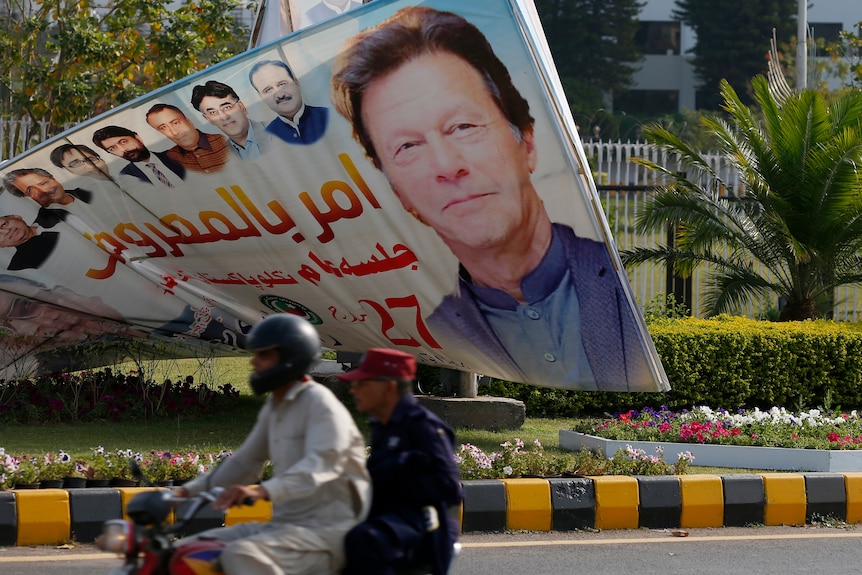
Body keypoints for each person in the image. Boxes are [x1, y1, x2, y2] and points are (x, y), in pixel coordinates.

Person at [330, 6, 655, 392]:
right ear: (400, 193)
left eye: (463, 126)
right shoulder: (433, 329)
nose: (447, 166)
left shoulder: (614, 287)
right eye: (408, 146)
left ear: (527, 141)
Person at [173, 314, 371, 575]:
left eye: (264, 355)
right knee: (185, 551)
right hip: (284, 525)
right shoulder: (276, 406)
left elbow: (320, 467)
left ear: (291, 358)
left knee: (239, 556)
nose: (254, 362)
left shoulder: (320, 405)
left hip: (328, 532)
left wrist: (261, 492)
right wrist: (182, 493)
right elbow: (245, 463)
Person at [338, 348, 462, 575]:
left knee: (365, 540)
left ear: (389, 388)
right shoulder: (382, 425)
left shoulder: (423, 426)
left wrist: (398, 466)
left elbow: (449, 488)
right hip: (387, 514)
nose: (354, 389)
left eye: (363, 383)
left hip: (422, 522)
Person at [249, 59, 328, 145]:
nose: (280, 95)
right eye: (268, 90)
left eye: (282, 84)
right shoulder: (266, 140)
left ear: (296, 84)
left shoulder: (331, 116)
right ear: (261, 97)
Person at [190, 80, 274, 160]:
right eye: (213, 112)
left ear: (242, 107)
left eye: (227, 107)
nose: (223, 116)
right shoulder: (222, 158)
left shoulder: (278, 130)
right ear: (208, 119)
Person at [145, 103, 231, 174]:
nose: (174, 132)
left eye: (175, 123)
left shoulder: (225, 142)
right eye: (163, 127)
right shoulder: (170, 159)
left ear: (189, 121)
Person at [92, 125, 187, 188]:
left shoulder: (177, 155)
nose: (123, 149)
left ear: (137, 138)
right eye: (112, 148)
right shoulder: (125, 179)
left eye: (123, 142)